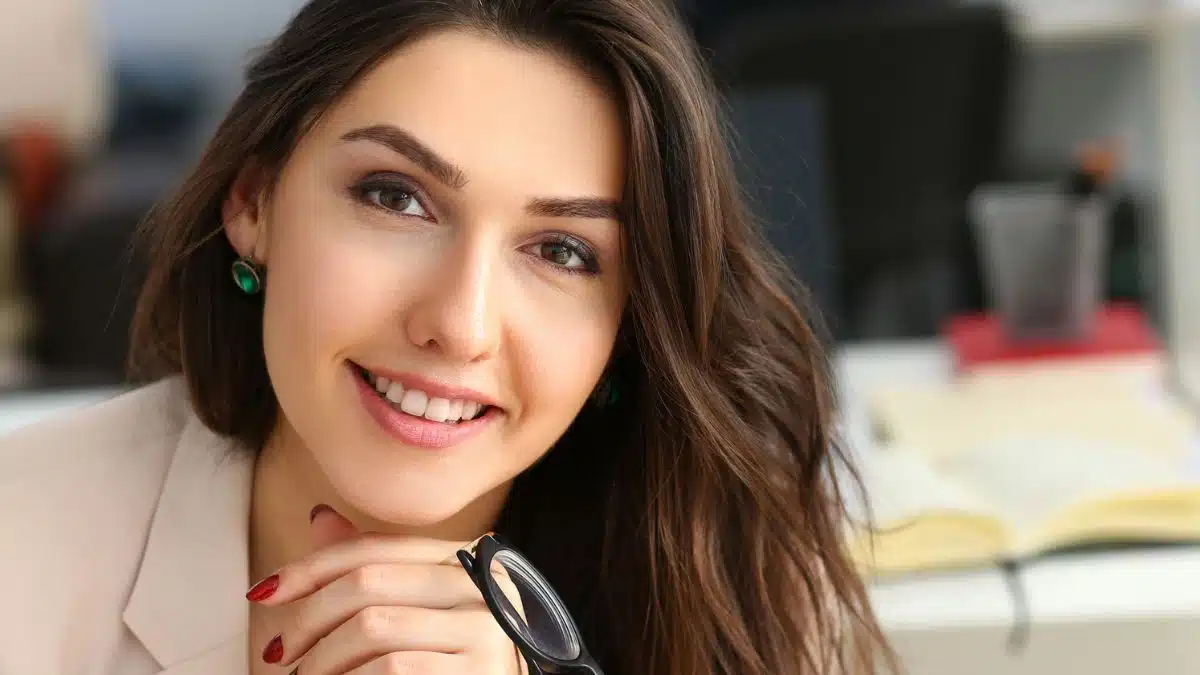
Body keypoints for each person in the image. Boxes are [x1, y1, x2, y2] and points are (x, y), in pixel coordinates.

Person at [0, 0, 892, 673]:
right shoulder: (24, 539)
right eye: (395, 197)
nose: (459, 326)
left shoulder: (735, 582)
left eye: (563, 251)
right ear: (253, 201)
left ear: (630, 324)